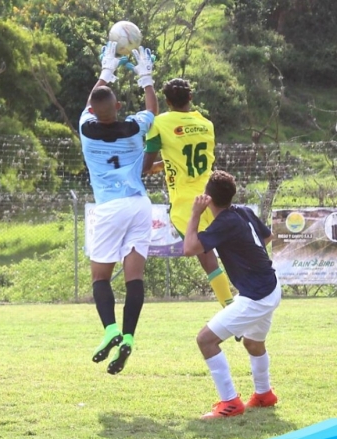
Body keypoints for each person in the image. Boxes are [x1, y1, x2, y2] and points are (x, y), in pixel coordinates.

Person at [81, 42, 157, 375]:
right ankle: (129, 336)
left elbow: (92, 101)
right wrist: (145, 76)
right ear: (120, 106)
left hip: (110, 208)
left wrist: (106, 71)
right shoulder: (135, 126)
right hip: (139, 205)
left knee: (100, 277)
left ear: (95, 112)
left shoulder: (86, 130)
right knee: (134, 277)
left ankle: (110, 329)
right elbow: (152, 109)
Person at [183, 170, 280, 418]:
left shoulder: (225, 222)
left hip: (257, 294)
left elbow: (190, 248)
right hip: (269, 286)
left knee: (205, 340)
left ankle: (230, 403)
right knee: (253, 342)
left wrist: (195, 213)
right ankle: (264, 395)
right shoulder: (242, 211)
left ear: (207, 197)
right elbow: (267, 237)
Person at [143, 78, 234, 308]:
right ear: (191, 97)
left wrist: (157, 165)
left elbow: (146, 165)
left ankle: (230, 307)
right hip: (213, 197)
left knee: (207, 258)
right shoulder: (206, 124)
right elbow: (188, 153)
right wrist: (165, 163)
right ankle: (246, 299)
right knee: (231, 252)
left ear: (166, 101)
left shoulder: (159, 123)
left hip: (187, 203)